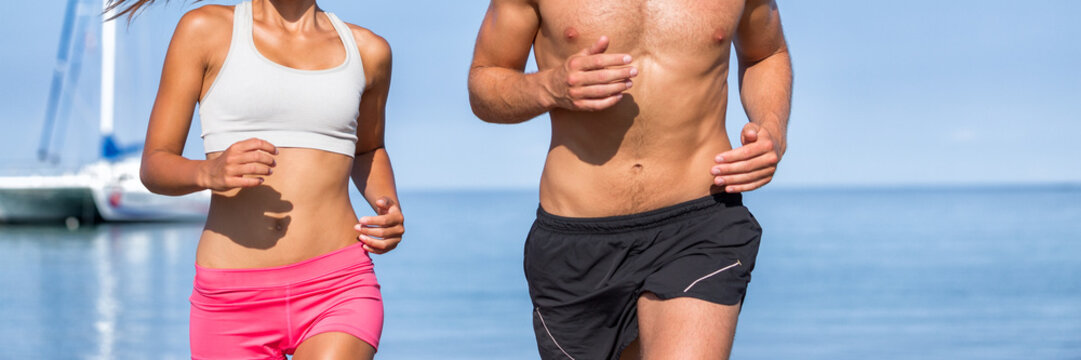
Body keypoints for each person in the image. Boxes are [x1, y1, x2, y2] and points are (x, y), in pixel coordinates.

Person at [468, 0, 791, 358]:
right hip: (576, 242)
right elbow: (484, 81)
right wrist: (549, 87)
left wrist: (772, 128)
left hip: (700, 220)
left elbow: (765, 53)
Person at [120, 0, 404, 358]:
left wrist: (388, 206)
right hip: (230, 300)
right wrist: (207, 172)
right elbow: (155, 165)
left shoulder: (369, 51)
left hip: (338, 286)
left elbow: (368, 149)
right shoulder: (204, 30)